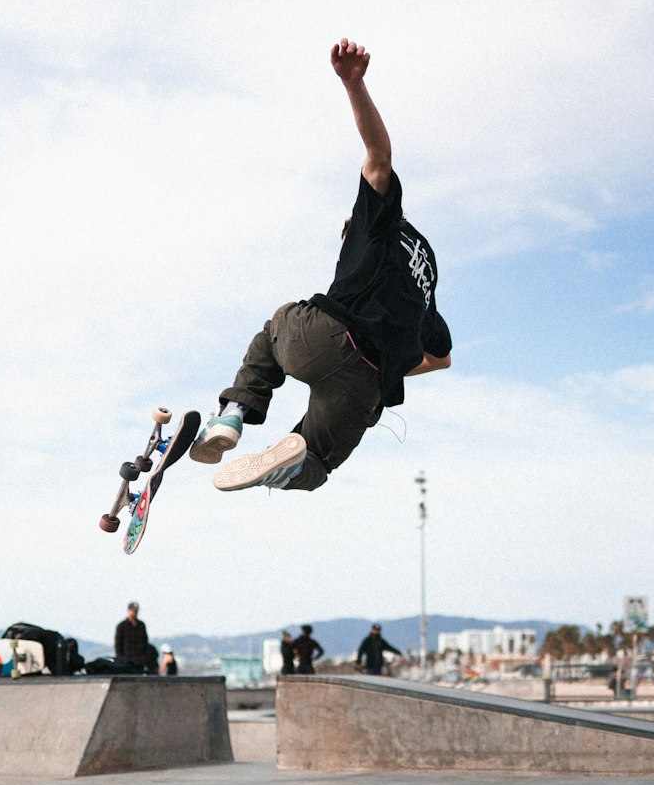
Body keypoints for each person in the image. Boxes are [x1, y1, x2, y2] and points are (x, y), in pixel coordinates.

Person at [189, 39, 453, 493]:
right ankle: (288, 467)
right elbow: (440, 359)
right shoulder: (424, 273)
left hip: (325, 337)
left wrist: (354, 84)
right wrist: (388, 363)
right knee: (316, 464)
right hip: (365, 387)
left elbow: (379, 157)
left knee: (274, 327)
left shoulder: (377, 221)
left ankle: (232, 415)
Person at [114, 602, 152, 673]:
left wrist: (146, 658)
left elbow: (145, 642)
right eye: (133, 611)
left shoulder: (141, 625)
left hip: (140, 661)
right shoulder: (122, 626)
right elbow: (118, 644)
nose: (135, 613)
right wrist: (120, 660)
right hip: (127, 660)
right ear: (129, 610)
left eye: (136, 611)